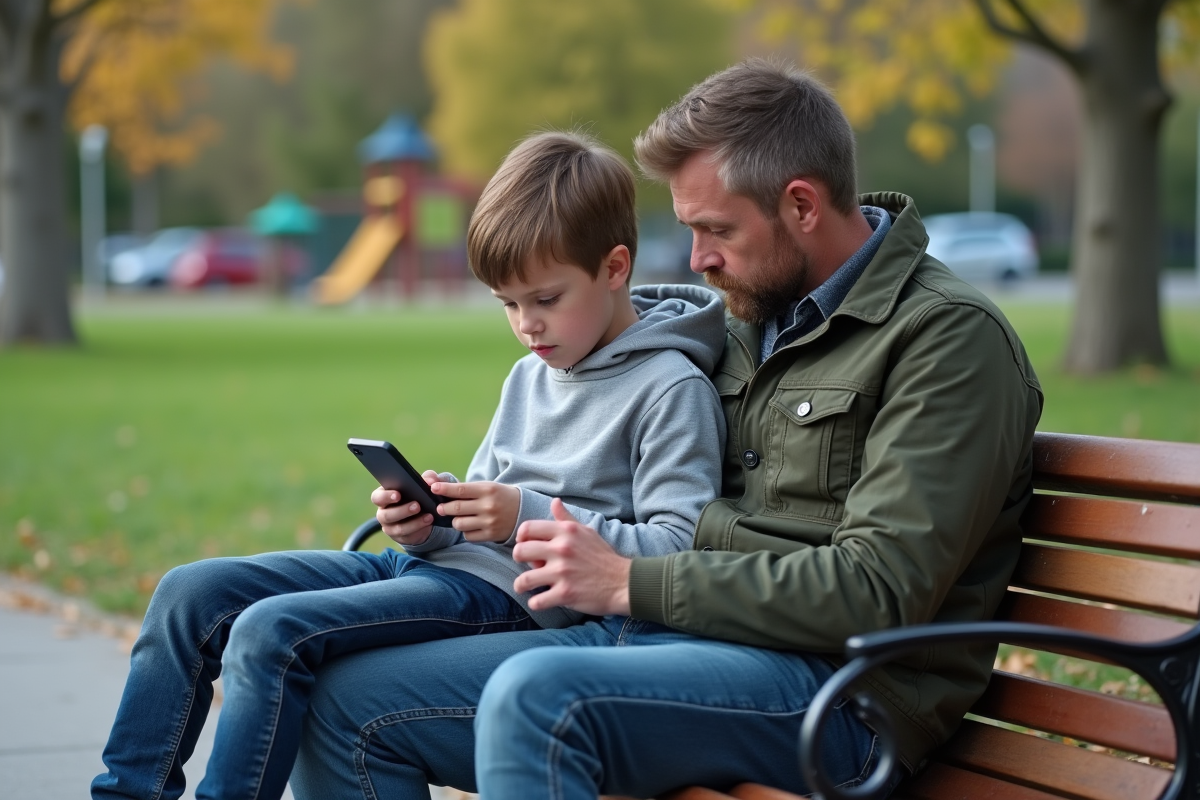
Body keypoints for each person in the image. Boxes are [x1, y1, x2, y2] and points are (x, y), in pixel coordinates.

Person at [287, 59, 1044, 800]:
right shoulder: (746, 316)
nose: (697, 258)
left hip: (840, 698)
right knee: (344, 698)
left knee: (537, 695)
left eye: (717, 229)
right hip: (681, 642)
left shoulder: (946, 341)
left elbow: (878, 590)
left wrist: (630, 579)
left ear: (803, 206)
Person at [90, 131, 727, 800]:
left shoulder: (670, 387)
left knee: (270, 633)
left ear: (616, 267)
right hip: (431, 570)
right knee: (189, 594)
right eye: (507, 305)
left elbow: (673, 555)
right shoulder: (530, 373)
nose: (527, 326)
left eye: (545, 299)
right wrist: (433, 519)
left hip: (509, 603)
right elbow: (479, 513)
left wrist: (520, 516)